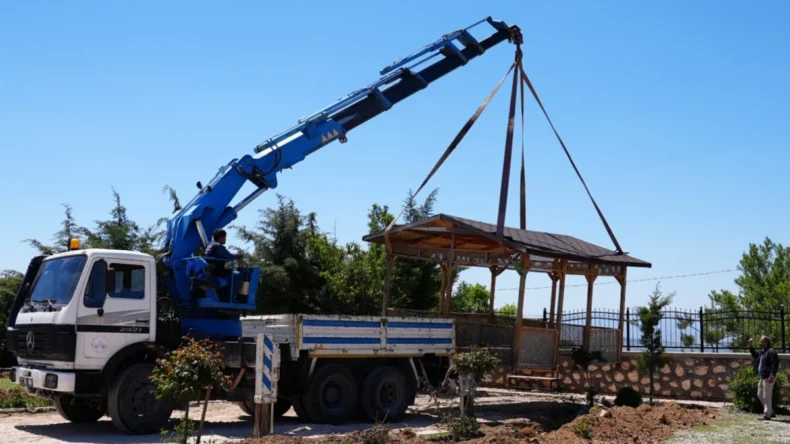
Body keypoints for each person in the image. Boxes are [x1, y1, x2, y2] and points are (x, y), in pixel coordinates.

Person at [204, 229, 241, 300]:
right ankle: (229, 298)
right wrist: (238, 255)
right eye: (224, 237)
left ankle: (223, 296)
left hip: (211, 272)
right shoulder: (219, 247)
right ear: (220, 238)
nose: (225, 239)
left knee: (230, 272)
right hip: (218, 273)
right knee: (238, 275)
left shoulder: (210, 246)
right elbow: (230, 257)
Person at [749, 336, 779, 420]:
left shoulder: (771, 352)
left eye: (761, 342)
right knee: (760, 395)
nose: (760, 343)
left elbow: (775, 364)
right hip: (762, 377)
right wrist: (751, 346)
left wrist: (772, 375)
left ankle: (767, 414)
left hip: (768, 377)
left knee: (767, 396)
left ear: (766, 342)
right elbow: (755, 356)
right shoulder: (763, 352)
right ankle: (771, 412)